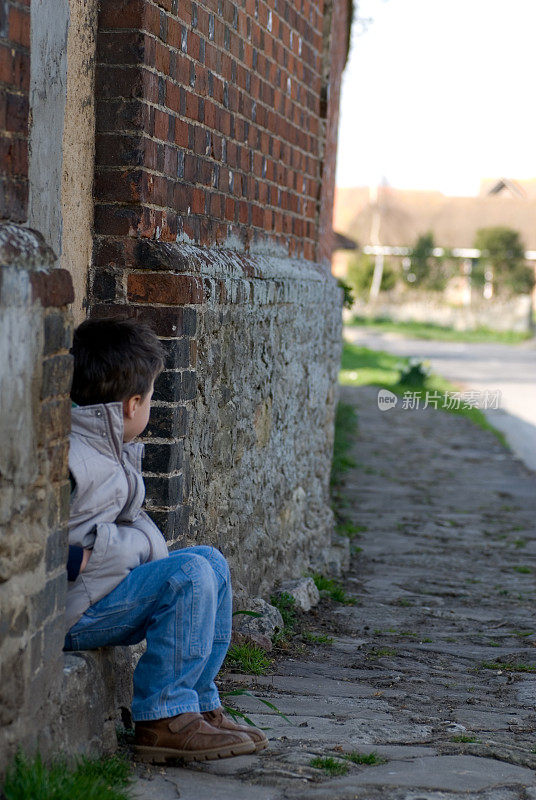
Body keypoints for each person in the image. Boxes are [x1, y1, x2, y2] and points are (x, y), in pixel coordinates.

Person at [64, 317, 267, 763]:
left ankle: (197, 704)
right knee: (189, 573)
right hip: (78, 609)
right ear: (133, 404)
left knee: (210, 561)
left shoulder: (107, 448)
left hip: (104, 592)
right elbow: (69, 551)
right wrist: (136, 549)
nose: (152, 406)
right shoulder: (75, 457)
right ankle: (162, 718)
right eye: (152, 397)